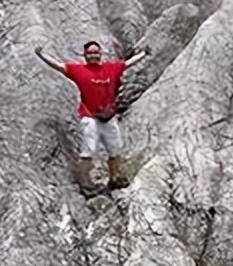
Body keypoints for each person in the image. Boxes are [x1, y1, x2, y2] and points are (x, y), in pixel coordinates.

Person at [35, 40, 149, 196]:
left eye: (96, 52)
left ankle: (114, 178)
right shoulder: (79, 70)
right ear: (85, 55)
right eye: (90, 53)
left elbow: (128, 63)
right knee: (89, 150)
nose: (93, 55)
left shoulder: (111, 68)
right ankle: (85, 184)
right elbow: (59, 66)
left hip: (109, 117)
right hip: (89, 117)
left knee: (115, 148)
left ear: (100, 53)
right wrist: (42, 55)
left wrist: (144, 54)